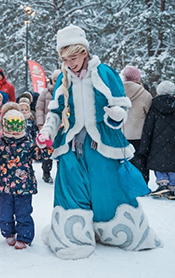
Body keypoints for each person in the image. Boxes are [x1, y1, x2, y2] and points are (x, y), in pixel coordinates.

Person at [36, 25, 161, 259]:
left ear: (84, 52)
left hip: (102, 146)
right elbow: (55, 112)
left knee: (109, 190)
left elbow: (121, 107)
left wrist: (115, 116)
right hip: (71, 147)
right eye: (65, 59)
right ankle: (72, 238)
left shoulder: (105, 73)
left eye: (73, 58)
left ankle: (121, 232)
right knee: (70, 192)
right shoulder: (64, 80)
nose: (70, 63)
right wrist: (47, 131)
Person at [0, 102, 53, 249]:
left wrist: (47, 146)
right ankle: (8, 233)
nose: (14, 132)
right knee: (4, 213)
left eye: (17, 128)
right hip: (5, 185)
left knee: (23, 213)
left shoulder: (28, 144)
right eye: (11, 128)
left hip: (24, 186)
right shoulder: (1, 144)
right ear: (5, 127)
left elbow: (40, 155)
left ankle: (25, 237)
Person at [139, 81, 175, 200]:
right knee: (172, 164)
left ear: (158, 92)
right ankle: (171, 189)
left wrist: (145, 144)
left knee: (158, 163)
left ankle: (162, 184)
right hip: (174, 143)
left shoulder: (154, 108)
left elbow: (148, 127)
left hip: (157, 142)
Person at [122, 66, 152, 184]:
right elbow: (149, 115)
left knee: (124, 161)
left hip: (121, 134)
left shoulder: (117, 91)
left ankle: (125, 184)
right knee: (140, 161)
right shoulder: (145, 94)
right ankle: (142, 184)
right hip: (139, 134)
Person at [35, 69, 61, 184]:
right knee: (47, 152)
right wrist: (41, 124)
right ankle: (46, 171)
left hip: (61, 127)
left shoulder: (64, 93)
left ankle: (61, 172)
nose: (56, 82)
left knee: (60, 150)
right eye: (55, 80)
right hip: (47, 126)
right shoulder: (45, 93)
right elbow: (39, 108)